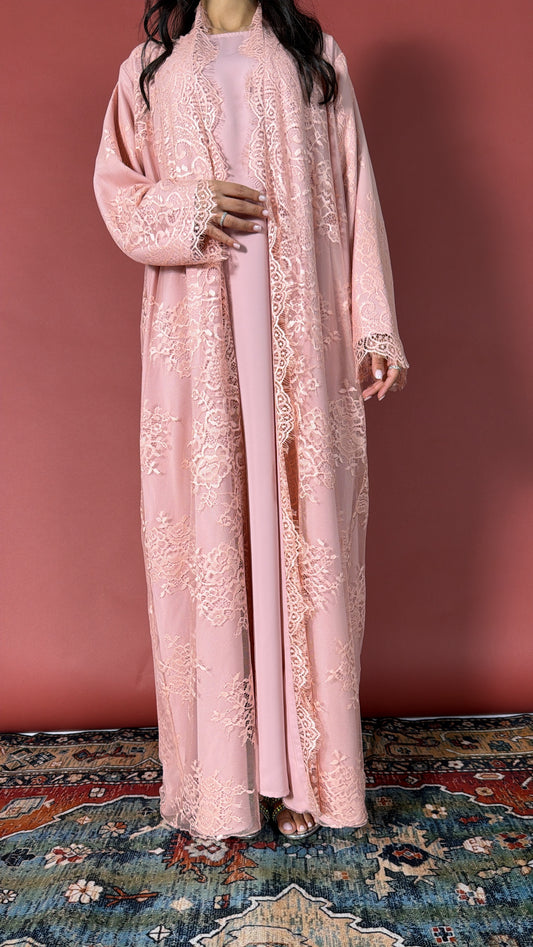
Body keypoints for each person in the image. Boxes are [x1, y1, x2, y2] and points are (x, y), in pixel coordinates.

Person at [93, 0, 409, 841]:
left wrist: (373, 327)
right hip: (200, 342)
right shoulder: (150, 72)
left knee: (300, 540)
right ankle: (229, 782)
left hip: (300, 339)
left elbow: (355, 188)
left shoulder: (314, 59)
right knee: (217, 537)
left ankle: (303, 776)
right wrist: (191, 206)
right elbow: (119, 192)